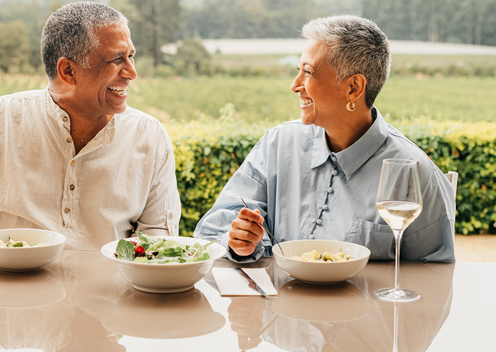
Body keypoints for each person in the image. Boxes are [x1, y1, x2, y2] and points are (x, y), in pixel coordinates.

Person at [0, 1, 181, 260]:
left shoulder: (150, 136)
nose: (131, 72)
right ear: (68, 71)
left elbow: (157, 243)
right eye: (117, 59)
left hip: (108, 307)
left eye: (131, 56)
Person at [194, 15, 455, 262]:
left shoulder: (416, 173)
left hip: (365, 310)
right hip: (278, 307)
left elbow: (435, 273)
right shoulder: (278, 144)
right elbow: (215, 225)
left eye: (308, 72)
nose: (295, 85)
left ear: (353, 88)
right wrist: (239, 241)